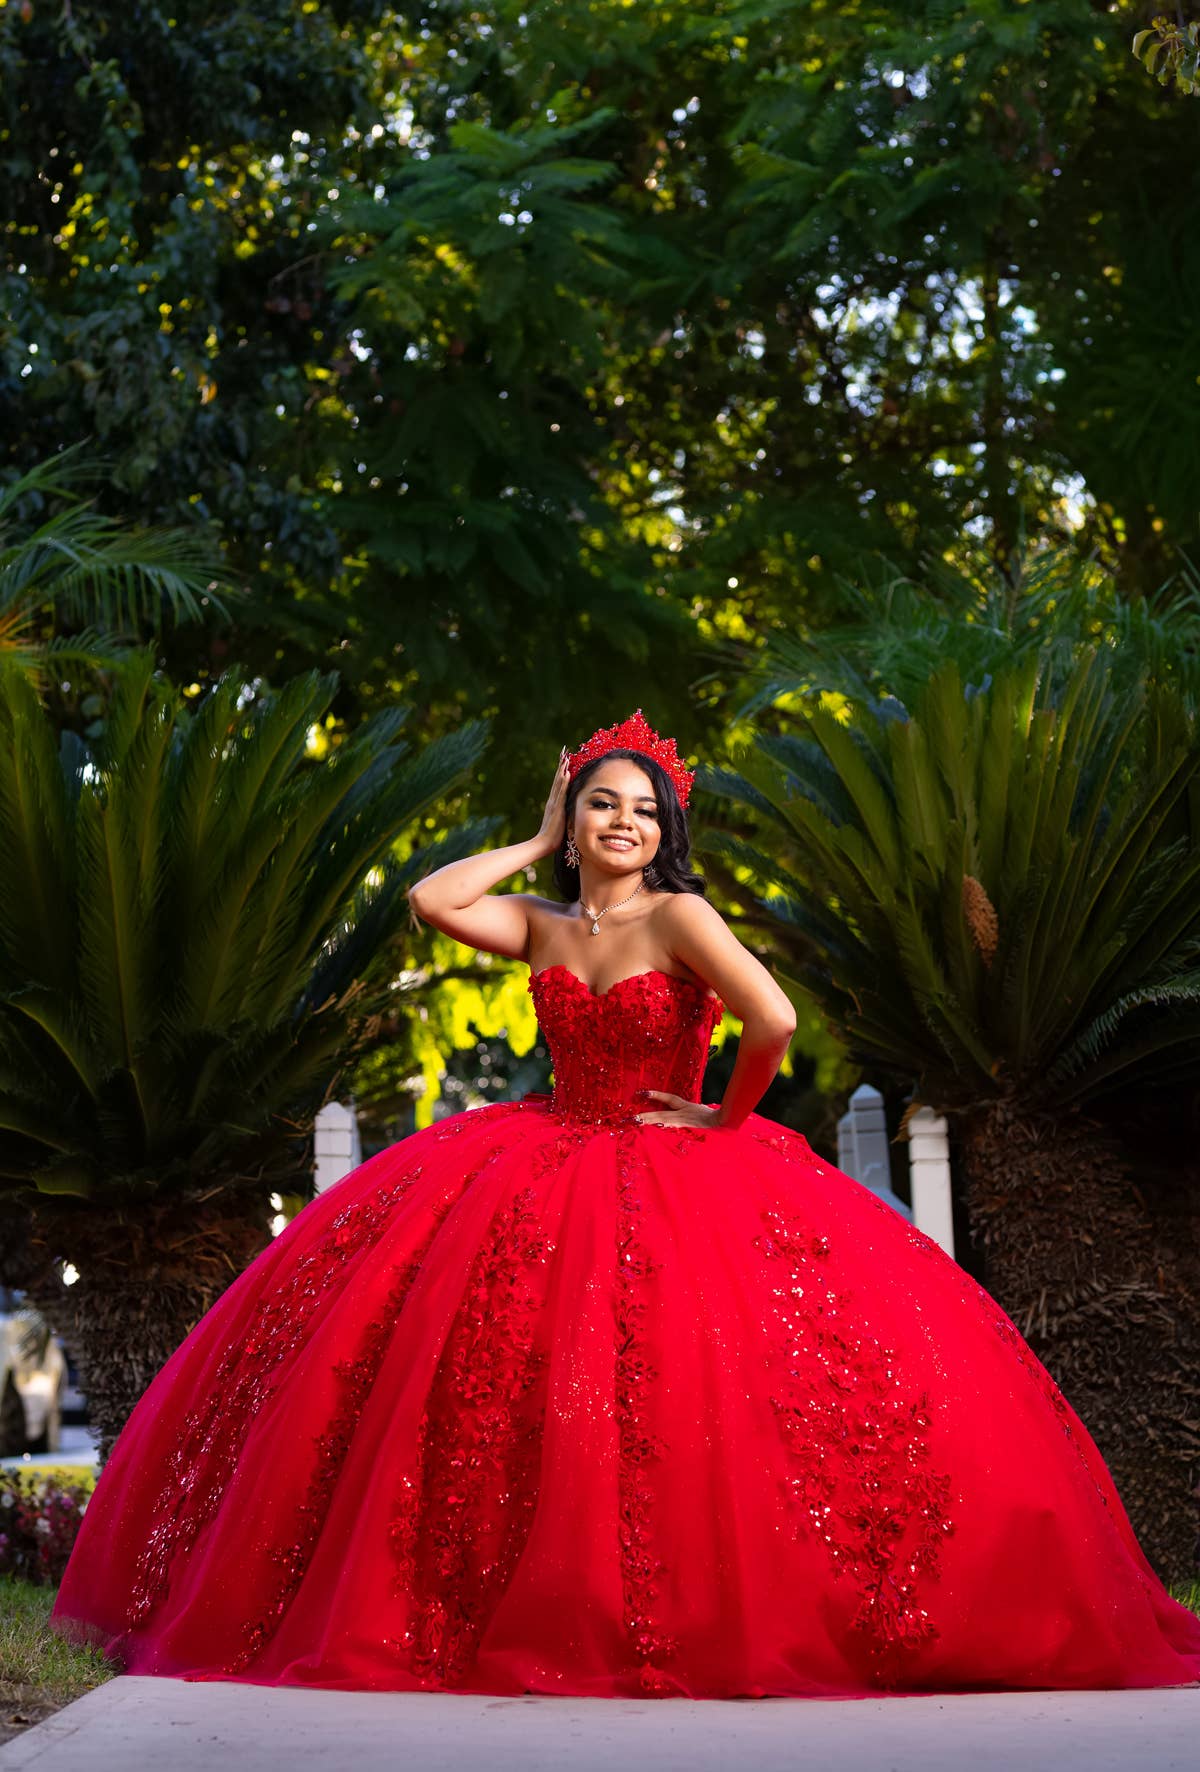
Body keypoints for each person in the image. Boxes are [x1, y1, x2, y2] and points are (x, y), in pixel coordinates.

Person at [49, 710, 1200, 1700]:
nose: (624, 823)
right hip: (547, 1155)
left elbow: (773, 1018)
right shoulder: (545, 922)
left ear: (666, 831)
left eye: (644, 810)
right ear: (576, 817)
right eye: (602, 804)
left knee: (697, 1384)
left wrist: (723, 1117)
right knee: (521, 1384)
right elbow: (431, 897)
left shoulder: (681, 917)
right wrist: (534, 837)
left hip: (676, 1167)